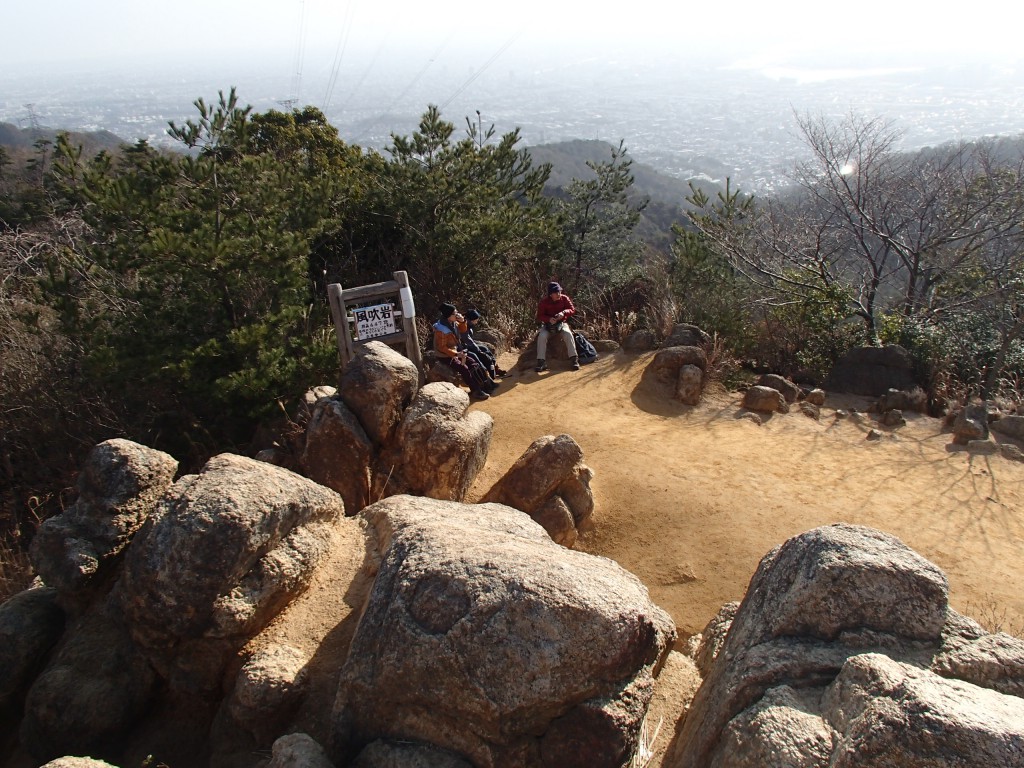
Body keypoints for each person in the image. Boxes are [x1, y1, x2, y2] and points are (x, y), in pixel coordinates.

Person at [433, 303, 495, 400]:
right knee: (464, 368)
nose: (457, 314)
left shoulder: (453, 323)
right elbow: (441, 347)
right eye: (455, 313)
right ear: (449, 315)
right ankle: (475, 390)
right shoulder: (441, 329)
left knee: (473, 363)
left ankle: (482, 385)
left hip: (455, 350)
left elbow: (463, 331)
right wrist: (456, 354)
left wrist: (462, 322)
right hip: (444, 355)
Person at [535, 281, 579, 372]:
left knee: (568, 334)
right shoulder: (544, 302)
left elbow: (572, 309)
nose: (559, 294)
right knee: (542, 336)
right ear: (551, 294)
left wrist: (564, 312)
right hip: (548, 325)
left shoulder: (564, 298)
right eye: (556, 292)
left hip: (561, 323)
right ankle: (541, 362)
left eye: (559, 291)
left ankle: (574, 359)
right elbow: (540, 316)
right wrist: (549, 319)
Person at [463, 309, 507, 380]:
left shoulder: (469, 325)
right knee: (483, 354)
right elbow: (466, 339)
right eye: (476, 320)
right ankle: (488, 373)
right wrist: (476, 347)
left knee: (486, 349)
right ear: (471, 319)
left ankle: (495, 368)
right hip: (464, 346)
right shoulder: (463, 325)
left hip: (469, 344)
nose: (477, 322)